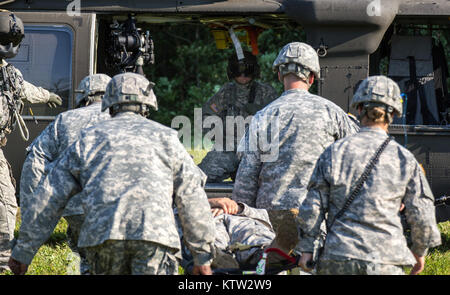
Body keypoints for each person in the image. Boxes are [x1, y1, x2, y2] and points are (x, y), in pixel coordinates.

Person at [8, 73, 215, 275]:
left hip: (102, 237)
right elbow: (192, 196)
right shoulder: (166, 138)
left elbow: (50, 195)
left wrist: (24, 251)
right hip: (155, 239)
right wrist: (202, 255)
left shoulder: (88, 139)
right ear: (148, 104)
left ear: (110, 103)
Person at [296, 75, 442, 275]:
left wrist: (306, 249)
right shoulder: (404, 159)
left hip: (339, 256)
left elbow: (312, 206)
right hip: (386, 261)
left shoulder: (333, 153)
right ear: (393, 113)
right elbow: (421, 210)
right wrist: (419, 252)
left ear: (358, 109)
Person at [231, 42, 359, 259]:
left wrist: (243, 217)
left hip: (272, 219)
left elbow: (247, 176)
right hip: (318, 217)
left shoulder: (262, 116)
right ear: (311, 78)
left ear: (280, 75)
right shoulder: (334, 114)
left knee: (273, 265)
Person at [19, 73, 112, 274]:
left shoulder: (65, 120)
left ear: (84, 96)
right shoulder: (128, 120)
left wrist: (30, 216)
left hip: (77, 209)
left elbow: (34, 162)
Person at [0, 10, 62, 273]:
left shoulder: (9, 73)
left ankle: (3, 261)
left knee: (6, 203)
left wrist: (49, 96)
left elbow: (25, 90)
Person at [198, 50, 278, 183]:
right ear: (231, 72)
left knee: (273, 180)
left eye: (248, 70)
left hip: (257, 152)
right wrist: (221, 136)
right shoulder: (226, 92)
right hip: (227, 150)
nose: (243, 75)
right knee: (200, 178)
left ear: (255, 71)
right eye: (237, 70)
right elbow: (206, 116)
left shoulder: (266, 93)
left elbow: (278, 123)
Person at [179, 197, 276, 273]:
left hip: (243, 217)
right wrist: (208, 203)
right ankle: (216, 258)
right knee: (208, 239)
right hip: (202, 218)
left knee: (255, 236)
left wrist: (239, 208)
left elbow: (263, 214)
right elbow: (167, 206)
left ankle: (269, 253)